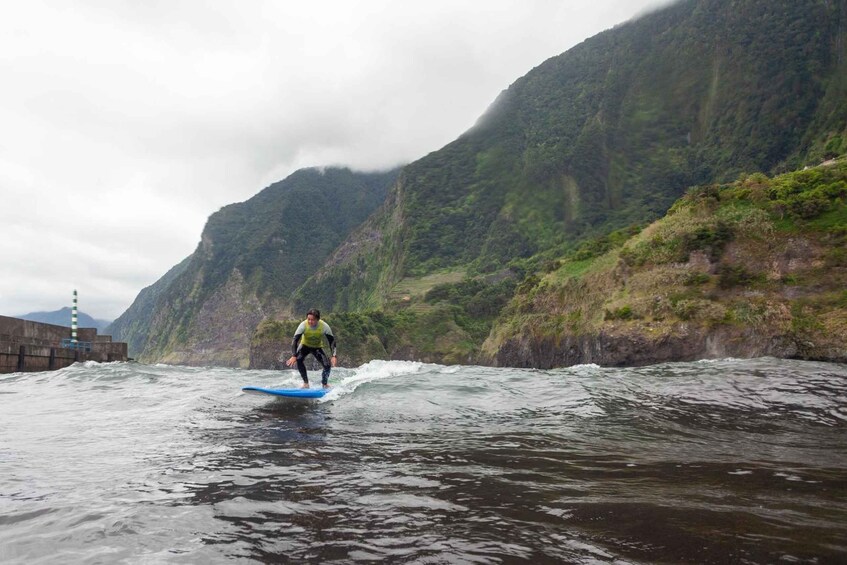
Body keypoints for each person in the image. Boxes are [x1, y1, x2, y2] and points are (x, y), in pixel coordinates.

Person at [286, 308, 337, 389]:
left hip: (317, 347)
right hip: (304, 346)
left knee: (327, 365)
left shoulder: (324, 326)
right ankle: (306, 383)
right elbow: (295, 340)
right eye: (308, 319)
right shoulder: (303, 325)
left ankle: (324, 384)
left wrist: (334, 356)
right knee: (299, 359)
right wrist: (294, 355)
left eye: (312, 320)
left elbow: (332, 341)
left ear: (318, 319)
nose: (310, 321)